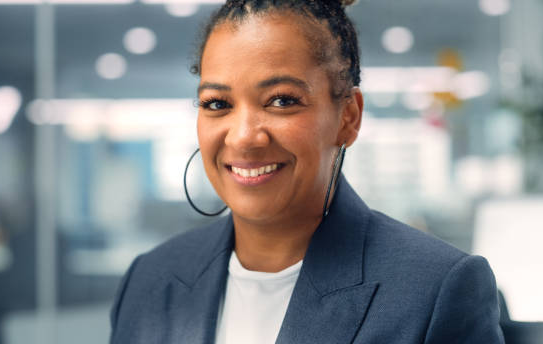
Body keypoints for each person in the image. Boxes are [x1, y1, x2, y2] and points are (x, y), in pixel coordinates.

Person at [110, 0, 505, 343]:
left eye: (281, 100)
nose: (244, 137)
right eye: (217, 103)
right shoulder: (150, 280)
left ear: (348, 117)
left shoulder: (435, 289)